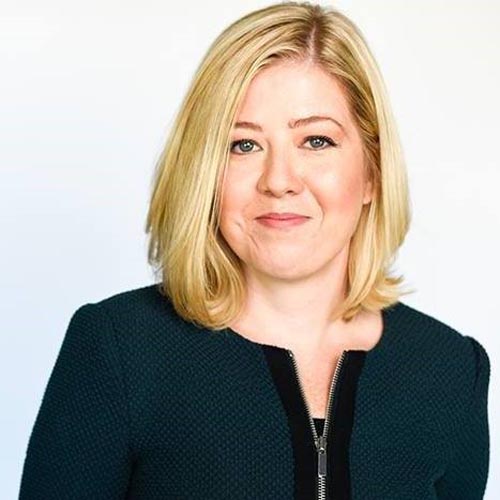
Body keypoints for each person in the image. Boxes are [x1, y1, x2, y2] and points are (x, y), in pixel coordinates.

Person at [19, 2, 490, 499]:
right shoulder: (119, 350)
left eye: (316, 141)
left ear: (372, 171)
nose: (279, 180)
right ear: (204, 171)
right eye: (243, 145)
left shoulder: (451, 370)